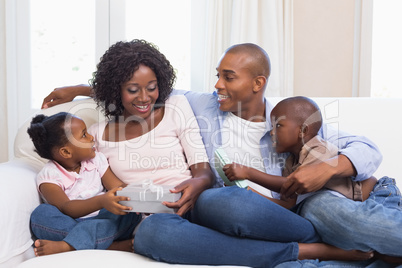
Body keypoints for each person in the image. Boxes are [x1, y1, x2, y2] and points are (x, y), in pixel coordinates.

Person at [42, 42, 380, 267]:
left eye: (227, 77)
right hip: (168, 215)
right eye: (217, 76)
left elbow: (367, 149)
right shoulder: (105, 134)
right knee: (153, 234)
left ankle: (322, 240)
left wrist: (330, 167)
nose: (217, 84)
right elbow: (133, 87)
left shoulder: (287, 116)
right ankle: (306, 251)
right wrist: (78, 89)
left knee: (229, 200)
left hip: (243, 207)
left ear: (257, 83)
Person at [223, 96, 377, 209]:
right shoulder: (291, 163)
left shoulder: (319, 150)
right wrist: (247, 193)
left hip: (375, 196)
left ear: (303, 130)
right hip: (351, 205)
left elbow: (293, 184)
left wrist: (248, 173)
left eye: (278, 126)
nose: (271, 133)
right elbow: (288, 204)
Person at [27, 112, 140, 256]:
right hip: (70, 222)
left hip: (104, 218)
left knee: (128, 213)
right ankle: (109, 245)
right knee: (40, 214)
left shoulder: (96, 160)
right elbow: (67, 208)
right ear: (66, 152)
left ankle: (69, 245)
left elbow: (117, 186)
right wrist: (101, 201)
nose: (92, 137)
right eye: (84, 135)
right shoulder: (49, 175)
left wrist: (135, 195)